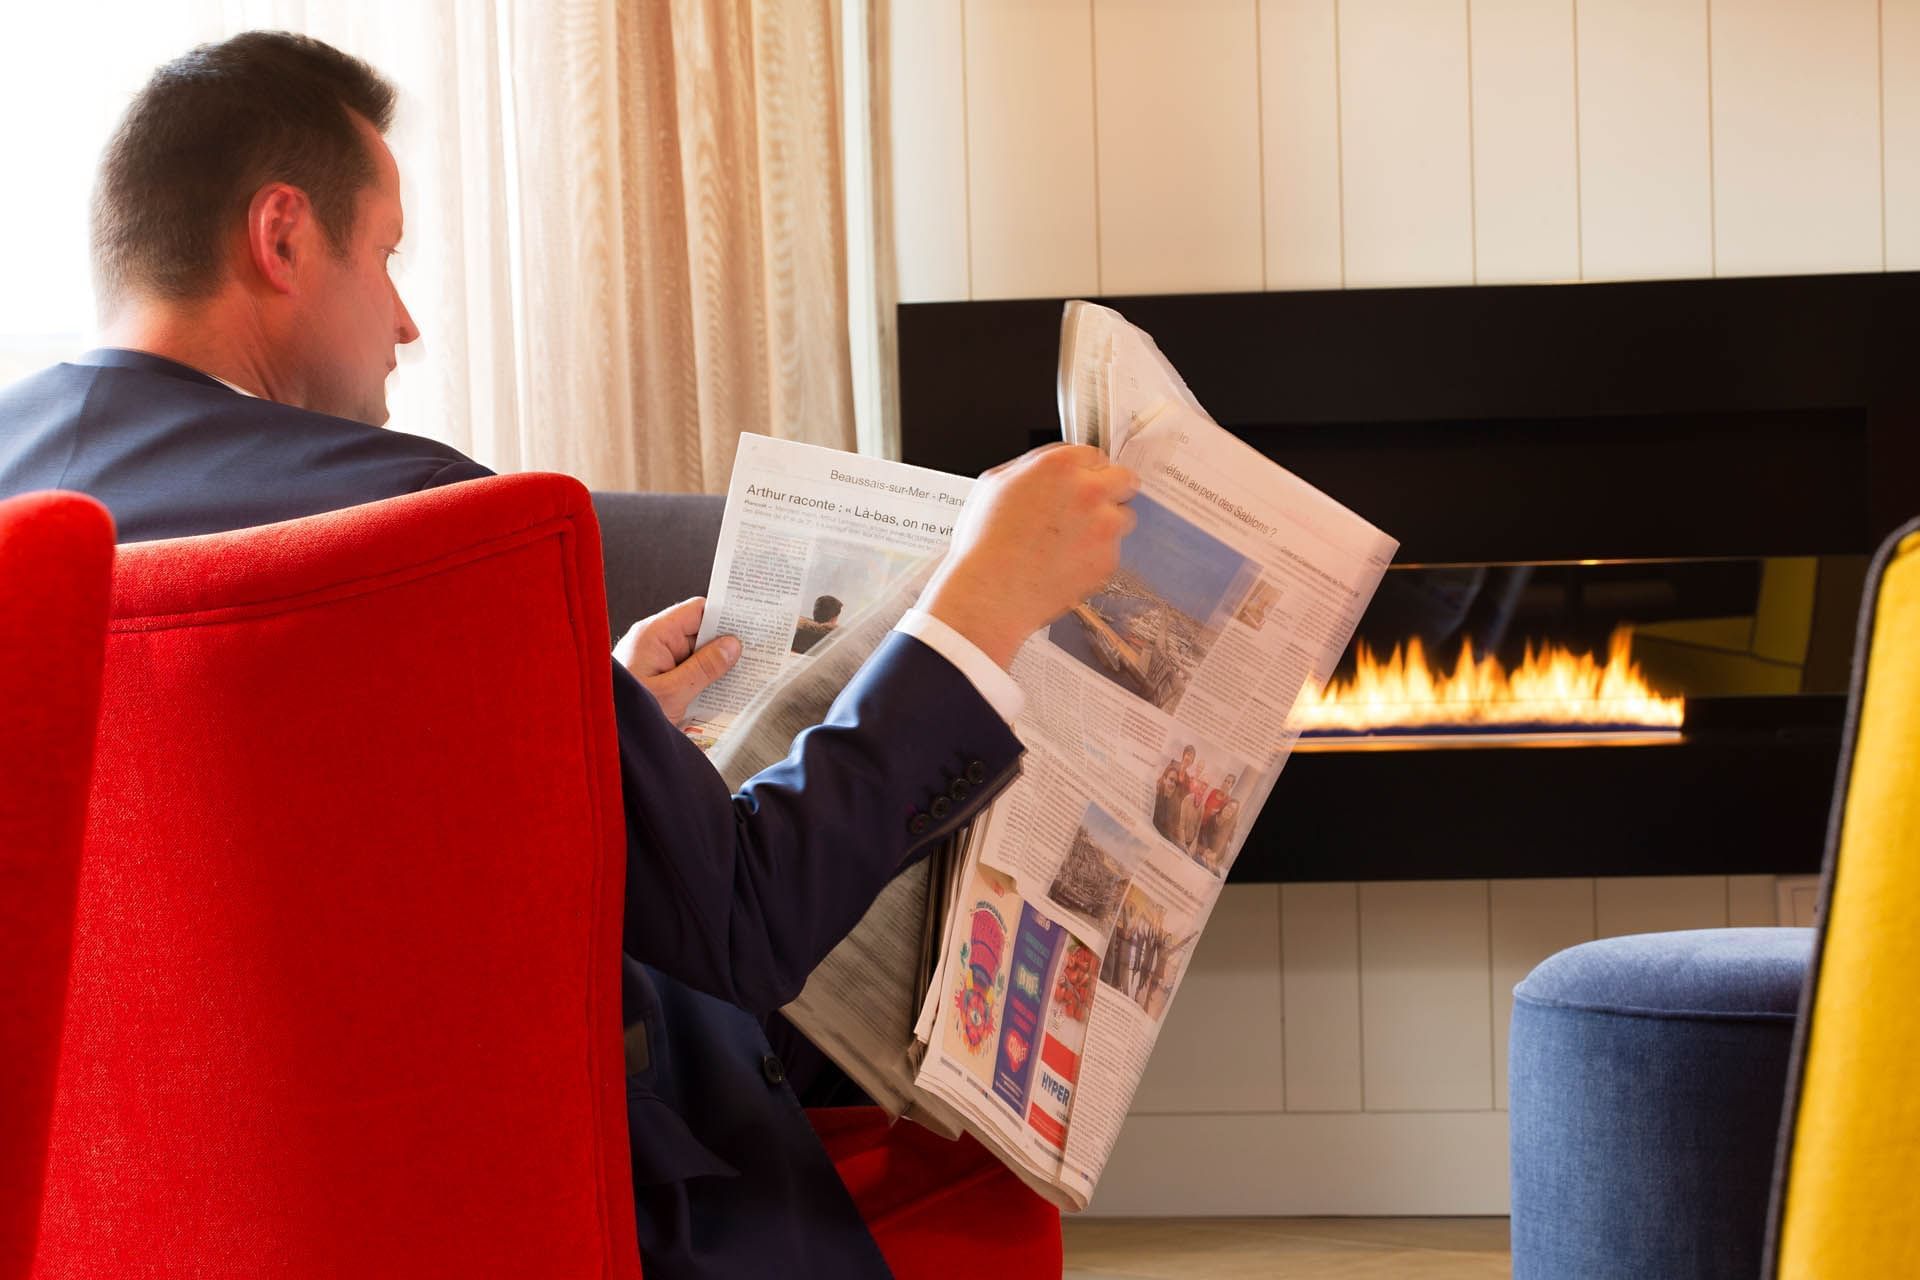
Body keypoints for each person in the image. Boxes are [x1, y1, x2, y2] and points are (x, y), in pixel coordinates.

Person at [0, 32, 1137, 1280]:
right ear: (280, 238)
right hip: (512, 1206)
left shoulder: (24, 525)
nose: (407, 320)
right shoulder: (411, 530)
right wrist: (979, 607)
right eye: (384, 255)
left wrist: (571, 715)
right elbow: (743, 924)